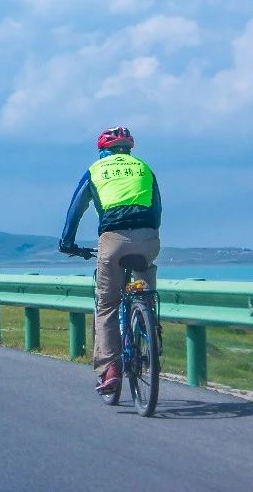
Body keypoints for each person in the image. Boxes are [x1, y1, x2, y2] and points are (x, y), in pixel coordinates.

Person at [58, 126, 162, 394]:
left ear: (103, 151)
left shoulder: (95, 170)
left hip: (113, 240)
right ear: (129, 149)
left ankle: (110, 370)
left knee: (107, 304)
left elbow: (75, 211)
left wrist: (67, 243)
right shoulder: (144, 168)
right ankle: (150, 326)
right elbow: (157, 208)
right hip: (149, 237)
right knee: (146, 282)